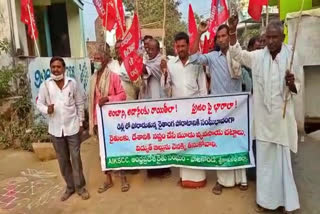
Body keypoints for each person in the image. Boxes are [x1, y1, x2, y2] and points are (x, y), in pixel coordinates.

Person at [228, 16, 301, 213]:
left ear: (282, 37)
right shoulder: (258, 56)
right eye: (267, 37)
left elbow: (298, 87)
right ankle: (266, 201)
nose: (270, 41)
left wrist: (292, 83)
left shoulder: (292, 55)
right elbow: (237, 54)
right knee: (266, 164)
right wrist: (233, 31)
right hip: (263, 121)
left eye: (274, 37)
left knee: (282, 163)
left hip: (282, 119)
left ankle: (286, 202)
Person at [190, 23, 248, 195]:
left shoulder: (237, 55)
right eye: (220, 36)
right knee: (221, 143)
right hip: (219, 108)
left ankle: (241, 178)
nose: (222, 39)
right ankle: (222, 181)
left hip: (237, 107)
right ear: (216, 40)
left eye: (225, 36)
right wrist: (199, 33)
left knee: (239, 142)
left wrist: (233, 32)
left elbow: (237, 48)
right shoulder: (212, 57)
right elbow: (193, 58)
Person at [37, 57, 89, 201]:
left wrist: (80, 123)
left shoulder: (72, 84)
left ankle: (80, 187)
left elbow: (79, 103)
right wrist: (46, 109)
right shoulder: (45, 85)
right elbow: (39, 103)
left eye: (58, 67)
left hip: (72, 128)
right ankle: (70, 187)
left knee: (76, 158)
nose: (55, 69)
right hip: (55, 130)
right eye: (53, 67)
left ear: (64, 68)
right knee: (63, 160)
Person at [161, 32, 208, 188]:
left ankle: (199, 178)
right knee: (182, 144)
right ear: (175, 47)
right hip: (179, 113)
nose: (180, 49)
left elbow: (203, 88)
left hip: (196, 111)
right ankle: (185, 178)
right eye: (178, 46)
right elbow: (166, 89)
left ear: (188, 46)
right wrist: (164, 74)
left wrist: (203, 110)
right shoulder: (170, 64)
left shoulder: (196, 64)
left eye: (183, 46)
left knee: (197, 144)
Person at [88, 51, 129, 193]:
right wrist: (92, 122)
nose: (96, 61)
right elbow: (92, 101)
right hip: (98, 121)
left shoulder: (114, 77)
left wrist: (108, 99)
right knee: (102, 151)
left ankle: (123, 177)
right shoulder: (92, 79)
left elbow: (123, 95)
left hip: (112, 120)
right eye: (94, 59)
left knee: (118, 148)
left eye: (99, 58)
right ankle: (108, 179)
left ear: (105, 61)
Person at [139, 38, 171, 178]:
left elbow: (146, 70)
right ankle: (152, 168)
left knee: (161, 138)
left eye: (152, 49)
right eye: (147, 49)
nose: (149, 51)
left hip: (160, 105)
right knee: (150, 138)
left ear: (158, 49)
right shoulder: (146, 60)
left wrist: (135, 62)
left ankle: (163, 168)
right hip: (148, 104)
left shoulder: (161, 62)